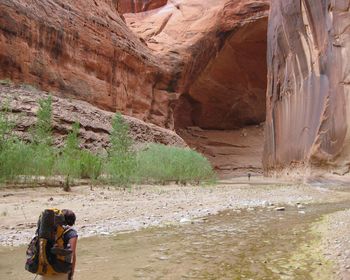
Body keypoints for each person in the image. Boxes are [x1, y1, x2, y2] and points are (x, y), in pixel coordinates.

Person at [40, 209, 78, 280]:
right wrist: (71, 274)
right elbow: (72, 254)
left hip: (45, 269)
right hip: (61, 271)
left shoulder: (49, 232)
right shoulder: (71, 233)